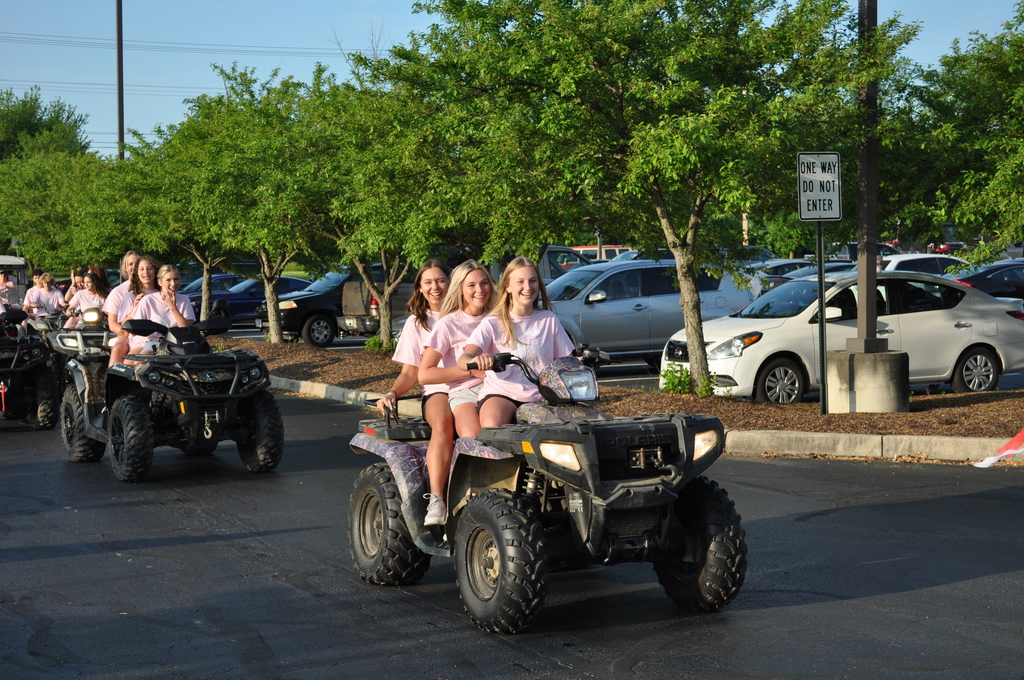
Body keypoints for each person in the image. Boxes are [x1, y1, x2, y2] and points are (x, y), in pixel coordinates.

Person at [376, 259, 453, 526]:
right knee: (443, 421)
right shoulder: (416, 323)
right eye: (428, 282)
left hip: (474, 387)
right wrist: (392, 393)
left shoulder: (470, 313)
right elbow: (410, 373)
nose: (436, 287)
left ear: (450, 282)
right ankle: (437, 499)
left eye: (441, 280)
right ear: (419, 288)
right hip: (438, 390)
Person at [417, 261, 494, 522]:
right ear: (460, 289)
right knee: (473, 434)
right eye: (471, 285)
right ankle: (439, 499)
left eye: (484, 283)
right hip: (466, 392)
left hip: (502, 390)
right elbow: (424, 373)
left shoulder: (500, 317)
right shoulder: (449, 324)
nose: (479, 290)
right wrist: (470, 370)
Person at [458, 256, 575, 428]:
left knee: (586, 424)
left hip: (543, 396)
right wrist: (474, 360)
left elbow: (567, 361)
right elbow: (464, 358)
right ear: (508, 287)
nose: (528, 287)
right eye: (520, 281)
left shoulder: (548, 319)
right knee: (492, 426)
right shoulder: (492, 322)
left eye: (532, 281)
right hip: (502, 393)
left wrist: (585, 361)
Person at [122, 264, 194, 363]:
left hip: (178, 344)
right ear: (160, 282)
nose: (173, 283)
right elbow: (135, 327)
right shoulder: (148, 300)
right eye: (168, 280)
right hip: (154, 342)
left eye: (176, 279)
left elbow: (185, 328)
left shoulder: (184, 299)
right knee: (133, 363)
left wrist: (172, 307)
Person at [108, 254, 158, 366]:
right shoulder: (122, 293)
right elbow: (116, 325)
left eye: (149, 268)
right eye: (131, 264)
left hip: (157, 337)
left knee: (137, 362)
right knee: (119, 352)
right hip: (130, 334)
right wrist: (134, 311)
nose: (145, 272)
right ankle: (113, 377)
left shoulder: (162, 293)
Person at [103, 250, 141, 336]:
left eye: (137, 263)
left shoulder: (152, 288)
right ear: (125, 268)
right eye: (131, 264)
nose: (134, 266)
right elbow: (112, 324)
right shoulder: (118, 292)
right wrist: (129, 336)